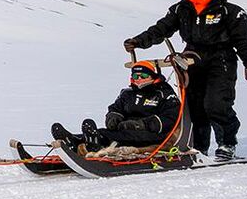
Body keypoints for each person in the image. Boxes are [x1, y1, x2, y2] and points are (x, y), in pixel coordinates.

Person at [125, 0, 247, 162]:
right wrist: (139, 41)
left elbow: (243, 40)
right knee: (194, 107)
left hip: (221, 59)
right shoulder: (181, 9)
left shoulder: (229, 11)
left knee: (216, 103)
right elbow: (162, 29)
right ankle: (199, 147)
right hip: (191, 59)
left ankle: (227, 144)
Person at [50, 60, 182, 153]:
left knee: (121, 135)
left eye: (144, 76)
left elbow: (171, 118)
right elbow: (115, 108)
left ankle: (89, 142)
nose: (139, 79)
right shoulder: (127, 93)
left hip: (153, 134)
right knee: (109, 132)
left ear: (153, 77)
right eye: (136, 76)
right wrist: (113, 117)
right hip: (125, 130)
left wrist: (142, 124)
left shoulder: (164, 94)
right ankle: (74, 140)